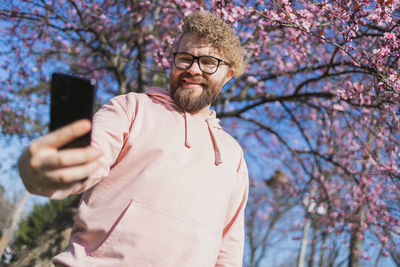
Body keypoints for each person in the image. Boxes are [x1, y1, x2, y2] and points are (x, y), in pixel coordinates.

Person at [18, 11, 249, 267]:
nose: (193, 69)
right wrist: (44, 171)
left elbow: (229, 249)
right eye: (184, 58)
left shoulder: (233, 156)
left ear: (228, 75)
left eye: (208, 62)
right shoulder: (130, 108)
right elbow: (84, 160)